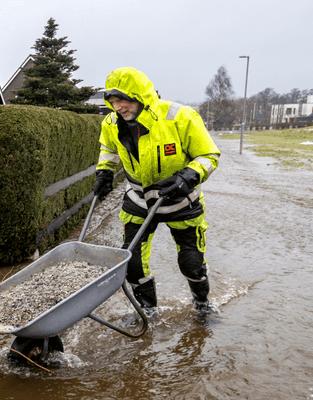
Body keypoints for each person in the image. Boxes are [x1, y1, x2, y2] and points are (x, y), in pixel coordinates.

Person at [92, 67, 221, 312]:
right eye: (113, 101)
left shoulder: (181, 117)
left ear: (140, 96)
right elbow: (108, 149)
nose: (119, 107)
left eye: (124, 100)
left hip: (181, 202)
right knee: (132, 264)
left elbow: (208, 155)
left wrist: (188, 176)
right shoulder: (110, 122)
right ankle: (148, 309)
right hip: (139, 202)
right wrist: (105, 172)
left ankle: (202, 303)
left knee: (191, 263)